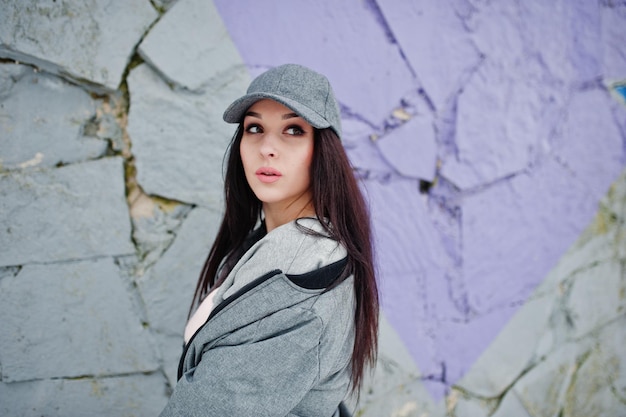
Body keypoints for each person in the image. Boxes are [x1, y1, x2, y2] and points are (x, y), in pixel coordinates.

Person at [159, 64, 379, 417]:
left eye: (293, 130)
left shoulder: (302, 278)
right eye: (255, 128)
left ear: (324, 151)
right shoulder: (267, 244)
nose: (267, 148)